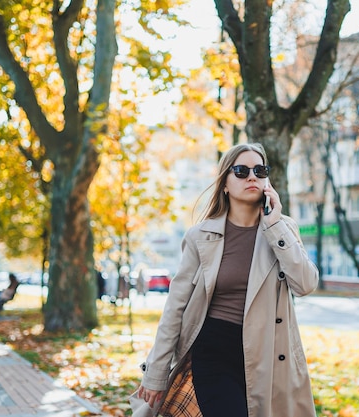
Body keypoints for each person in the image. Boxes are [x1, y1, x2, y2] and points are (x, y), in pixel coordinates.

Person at [134, 143, 319, 417]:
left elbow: (305, 284)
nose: (252, 177)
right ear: (224, 183)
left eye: (260, 170)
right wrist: (156, 372)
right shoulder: (200, 237)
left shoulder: (283, 229)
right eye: (241, 171)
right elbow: (175, 308)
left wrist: (274, 226)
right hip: (214, 352)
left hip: (266, 355)